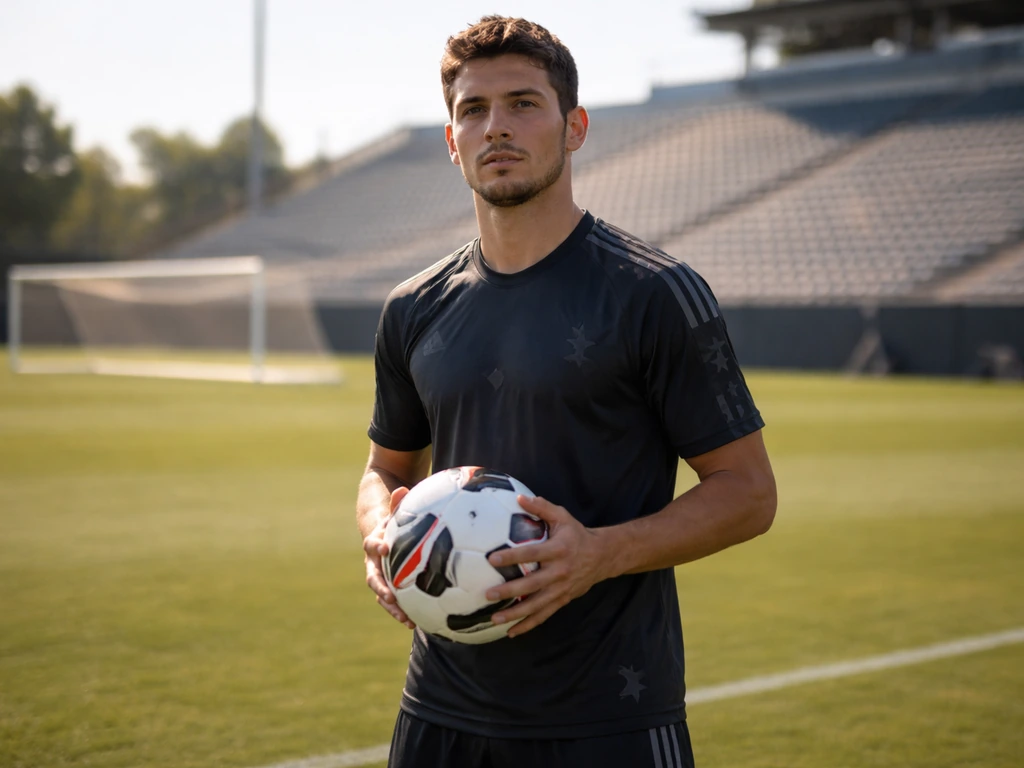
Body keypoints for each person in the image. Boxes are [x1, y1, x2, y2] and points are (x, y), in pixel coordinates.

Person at [356, 15, 777, 768]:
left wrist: (598, 554)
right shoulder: (413, 307)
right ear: (453, 142)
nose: (497, 129)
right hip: (438, 718)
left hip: (609, 721)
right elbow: (387, 469)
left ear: (574, 127)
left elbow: (748, 493)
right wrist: (378, 531)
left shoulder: (655, 295)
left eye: (524, 103)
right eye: (473, 111)